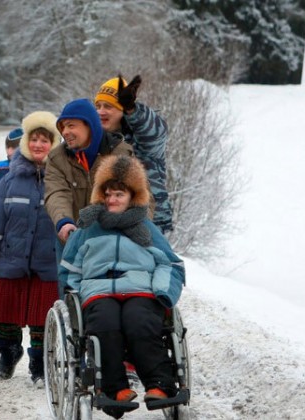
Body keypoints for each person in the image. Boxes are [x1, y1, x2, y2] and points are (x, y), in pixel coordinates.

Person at [59, 155, 185, 418]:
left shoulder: (146, 229)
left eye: (119, 194)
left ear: (132, 196)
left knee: (139, 321)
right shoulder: (88, 229)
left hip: (139, 288)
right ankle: (113, 389)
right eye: (108, 194)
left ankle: (160, 385)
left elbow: (171, 265)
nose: (112, 199)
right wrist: (75, 295)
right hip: (98, 290)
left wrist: (162, 290)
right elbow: (69, 269)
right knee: (105, 323)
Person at [0, 111, 61, 386]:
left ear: (53, 144)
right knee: (5, 317)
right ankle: (9, 353)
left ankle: (39, 363)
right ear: (26, 143)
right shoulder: (9, 181)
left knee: (41, 319)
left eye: (44, 140)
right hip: (10, 261)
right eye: (33, 139)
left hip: (46, 264)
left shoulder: (60, 182)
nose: (38, 145)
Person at [44, 98, 133, 247]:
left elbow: (140, 197)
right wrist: (63, 221)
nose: (65, 132)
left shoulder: (121, 154)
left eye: (71, 126)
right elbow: (56, 192)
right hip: (71, 238)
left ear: (90, 126)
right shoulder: (56, 158)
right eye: (63, 127)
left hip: (111, 242)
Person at [94, 74, 173, 234]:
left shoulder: (142, 140)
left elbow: (153, 132)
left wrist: (132, 109)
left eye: (108, 106)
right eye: (98, 106)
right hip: (105, 222)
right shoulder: (95, 140)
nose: (101, 112)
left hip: (147, 223)